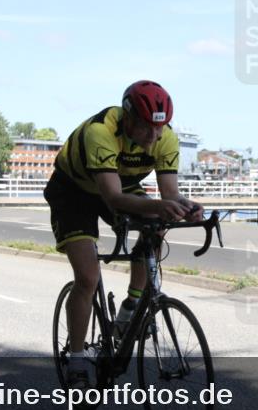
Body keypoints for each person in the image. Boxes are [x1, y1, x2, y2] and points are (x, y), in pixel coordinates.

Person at [44, 81, 203, 388]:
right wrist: (160, 206)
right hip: (74, 191)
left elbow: (170, 193)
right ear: (127, 117)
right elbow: (113, 199)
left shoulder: (166, 138)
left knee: (157, 228)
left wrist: (188, 207)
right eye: (146, 129)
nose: (154, 137)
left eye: (160, 129)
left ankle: (131, 305)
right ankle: (77, 358)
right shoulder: (101, 131)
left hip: (121, 185)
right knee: (88, 278)